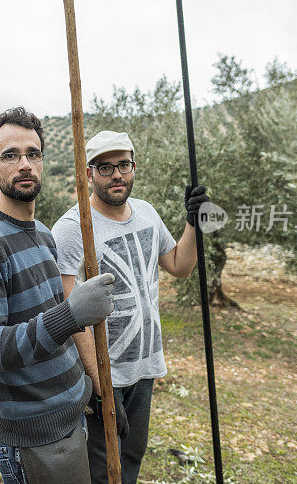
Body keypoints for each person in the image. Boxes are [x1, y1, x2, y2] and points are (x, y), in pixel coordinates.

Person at [0, 107, 117, 484]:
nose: (24, 164)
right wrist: (70, 315)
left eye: (33, 154)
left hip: (72, 416)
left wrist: (90, 388)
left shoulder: (43, 233)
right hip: (33, 435)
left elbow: (54, 321)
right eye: (10, 156)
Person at [51, 130, 209, 484]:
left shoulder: (148, 214)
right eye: (105, 168)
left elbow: (180, 266)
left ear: (134, 167)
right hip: (102, 372)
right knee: (103, 469)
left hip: (144, 366)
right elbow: (68, 313)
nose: (117, 175)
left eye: (124, 165)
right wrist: (101, 385)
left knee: (132, 459)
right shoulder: (73, 228)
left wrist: (193, 222)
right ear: (89, 173)